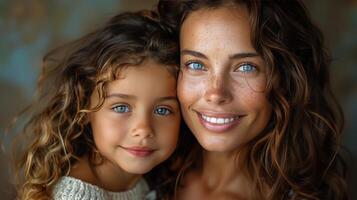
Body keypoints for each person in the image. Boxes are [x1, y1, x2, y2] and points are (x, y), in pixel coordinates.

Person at [157, 0, 348, 199]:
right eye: (196, 65)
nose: (215, 93)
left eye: (246, 67)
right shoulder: (143, 172)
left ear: (284, 78)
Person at [14, 10, 181, 200]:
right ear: (84, 108)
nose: (143, 129)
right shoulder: (76, 196)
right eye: (121, 107)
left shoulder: (144, 180)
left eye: (162, 110)